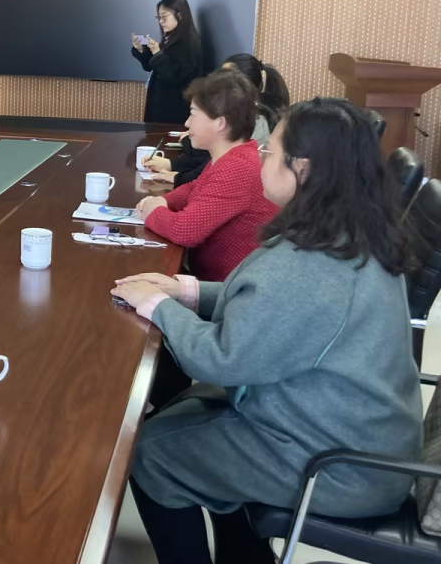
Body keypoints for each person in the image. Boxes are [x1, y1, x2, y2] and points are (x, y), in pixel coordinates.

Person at [112, 98, 422, 564]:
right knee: (174, 426)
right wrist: (188, 290)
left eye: (269, 151)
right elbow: (273, 308)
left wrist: (157, 307)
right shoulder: (350, 230)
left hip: (338, 465)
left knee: (151, 457)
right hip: (346, 430)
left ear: (303, 168)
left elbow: (220, 359)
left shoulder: (312, 263)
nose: (260, 159)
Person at [137, 70, 278, 282]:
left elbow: (185, 231)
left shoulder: (238, 167)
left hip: (223, 288)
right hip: (208, 279)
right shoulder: (234, 156)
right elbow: (195, 187)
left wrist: (153, 211)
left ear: (220, 123)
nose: (187, 123)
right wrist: (164, 201)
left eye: (193, 114)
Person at [147, 54, 290, 187]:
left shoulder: (253, 123)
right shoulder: (238, 115)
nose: (218, 79)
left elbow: (216, 172)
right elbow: (210, 163)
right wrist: (172, 166)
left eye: (226, 76)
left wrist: (178, 176)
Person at [130, 0, 204, 125]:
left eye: (164, 17)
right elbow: (152, 67)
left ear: (179, 15)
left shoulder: (189, 43)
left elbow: (174, 75)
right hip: (161, 106)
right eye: (159, 17)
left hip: (174, 110)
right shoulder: (169, 38)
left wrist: (157, 53)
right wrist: (142, 51)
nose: (161, 21)